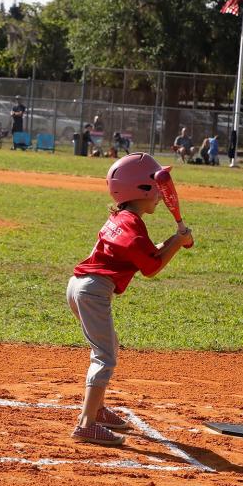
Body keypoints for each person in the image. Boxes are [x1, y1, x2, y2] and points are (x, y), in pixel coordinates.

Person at [67, 152, 194, 445]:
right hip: (93, 291)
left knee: (106, 346)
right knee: (105, 355)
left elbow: (146, 254)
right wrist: (178, 241)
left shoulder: (124, 219)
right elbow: (151, 268)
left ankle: (97, 410)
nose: (162, 195)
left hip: (79, 286)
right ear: (141, 189)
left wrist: (175, 241)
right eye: (157, 188)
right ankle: (86, 423)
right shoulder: (132, 225)